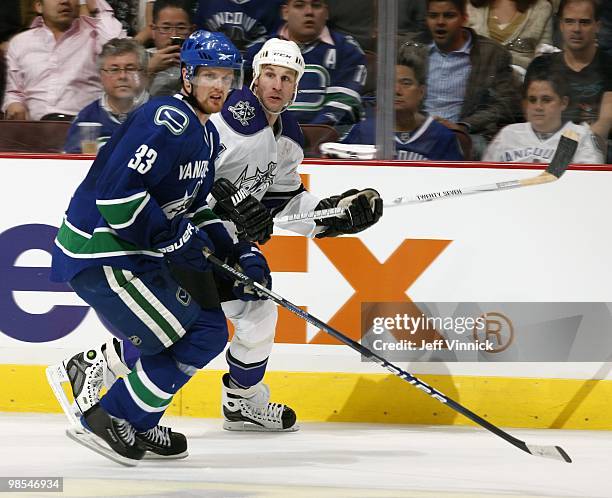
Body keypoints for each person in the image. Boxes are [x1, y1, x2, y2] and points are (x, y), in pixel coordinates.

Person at [48, 37, 383, 439]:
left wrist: (328, 215)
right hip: (176, 239)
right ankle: (114, 381)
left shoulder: (288, 134)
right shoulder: (224, 119)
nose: (277, 85)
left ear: (298, 87)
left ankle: (233, 399)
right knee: (203, 324)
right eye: (271, 76)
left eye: (288, 78)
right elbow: (190, 192)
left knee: (248, 313)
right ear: (255, 79)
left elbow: (278, 198)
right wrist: (236, 236)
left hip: (204, 238)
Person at [46, 29, 270, 466]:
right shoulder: (168, 119)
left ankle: (135, 418)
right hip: (103, 254)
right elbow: (118, 198)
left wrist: (234, 250)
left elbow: (194, 206)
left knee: (204, 329)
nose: (219, 86)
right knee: (192, 334)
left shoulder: (206, 137)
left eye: (227, 76)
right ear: (187, 75)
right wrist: (175, 240)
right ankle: (109, 414)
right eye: (209, 75)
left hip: (134, 255)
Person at [400, 0, 520, 159]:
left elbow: (504, 105)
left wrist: (462, 126)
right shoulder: (410, 49)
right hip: (416, 128)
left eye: (449, 16)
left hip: (467, 134)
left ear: (464, 18)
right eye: (433, 16)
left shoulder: (492, 54)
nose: (440, 22)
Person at [247, 0, 367, 127]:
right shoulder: (258, 50)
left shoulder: (347, 50)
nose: (309, 12)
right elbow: (245, 99)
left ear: (326, 12)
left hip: (326, 141)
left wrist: (307, 135)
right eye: (299, 5)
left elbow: (343, 105)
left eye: (316, 5)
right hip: (265, 136)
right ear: (285, 12)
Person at [2, 0, 124, 121]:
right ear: (39, 6)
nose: (65, 1)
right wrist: (13, 103)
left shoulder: (95, 35)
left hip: (83, 129)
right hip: (35, 131)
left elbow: (120, 50)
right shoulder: (20, 42)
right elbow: (14, 92)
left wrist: (97, 7)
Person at [336, 53, 464, 161]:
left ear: (421, 92)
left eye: (406, 83)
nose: (397, 90)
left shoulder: (441, 136)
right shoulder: (363, 131)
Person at [483, 64, 603, 163]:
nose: (538, 107)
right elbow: (486, 176)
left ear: (563, 103)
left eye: (546, 100)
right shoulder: (508, 134)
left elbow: (589, 183)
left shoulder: (581, 136)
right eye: (532, 100)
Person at [529, 0, 612, 141]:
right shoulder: (541, 66)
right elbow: (534, 119)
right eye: (569, 21)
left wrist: (574, 151)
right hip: (547, 146)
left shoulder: (609, 66)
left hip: (596, 146)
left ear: (597, 26)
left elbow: (606, 120)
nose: (576, 29)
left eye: (584, 22)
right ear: (560, 25)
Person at [64, 38, 149, 153]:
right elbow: (71, 163)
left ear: (144, 73)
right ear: (101, 76)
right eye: (114, 70)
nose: (122, 76)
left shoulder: (163, 115)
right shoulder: (87, 119)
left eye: (130, 69)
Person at [467, 0, 553, 69]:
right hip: (475, 78)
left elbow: (545, 58)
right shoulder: (469, 6)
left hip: (521, 83)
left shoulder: (542, 8)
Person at [194, 0, 284, 52]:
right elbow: (197, 42)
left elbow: (276, 43)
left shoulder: (273, 5)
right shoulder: (206, 3)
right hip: (212, 69)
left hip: (257, 72)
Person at [147, 0, 195, 97]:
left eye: (181, 28)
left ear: (192, 31)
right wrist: (149, 70)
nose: (174, 35)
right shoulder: (137, 61)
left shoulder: (204, 63)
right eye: (166, 28)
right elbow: (126, 103)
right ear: (153, 30)